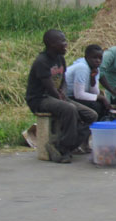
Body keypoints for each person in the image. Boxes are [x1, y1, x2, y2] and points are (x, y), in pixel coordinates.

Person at [25, 29, 98, 163]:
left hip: (56, 96)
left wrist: (63, 94)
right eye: (62, 41)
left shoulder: (60, 59)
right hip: (39, 99)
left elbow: (62, 82)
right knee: (69, 108)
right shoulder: (42, 61)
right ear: (51, 44)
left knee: (92, 115)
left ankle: (61, 145)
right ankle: (63, 150)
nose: (66, 44)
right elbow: (50, 87)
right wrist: (63, 99)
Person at [65, 44, 112, 120]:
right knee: (96, 106)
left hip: (76, 96)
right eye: (94, 58)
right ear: (86, 57)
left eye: (100, 58)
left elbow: (94, 93)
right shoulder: (82, 67)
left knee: (102, 105)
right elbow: (79, 94)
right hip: (67, 97)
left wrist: (93, 79)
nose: (98, 61)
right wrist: (102, 98)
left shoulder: (95, 69)